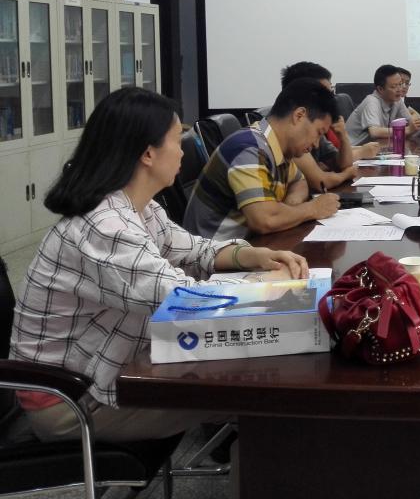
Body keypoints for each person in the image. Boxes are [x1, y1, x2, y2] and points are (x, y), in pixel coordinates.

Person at [11, 87, 308, 442]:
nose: (183, 150)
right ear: (148, 154)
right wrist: (269, 289)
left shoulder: (139, 206)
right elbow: (183, 301)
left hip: (107, 364)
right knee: (260, 392)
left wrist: (250, 256)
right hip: (70, 402)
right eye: (177, 139)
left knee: (257, 369)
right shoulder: (105, 226)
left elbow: (195, 250)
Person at [184, 78, 342, 240]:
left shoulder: (278, 147)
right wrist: (313, 209)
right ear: (299, 116)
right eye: (318, 133)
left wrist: (289, 207)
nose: (316, 144)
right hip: (213, 251)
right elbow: (264, 220)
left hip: (247, 246)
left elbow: (299, 182)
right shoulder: (249, 148)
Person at [279, 62, 379, 189]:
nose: (331, 99)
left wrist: (343, 136)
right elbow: (319, 181)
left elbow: (342, 164)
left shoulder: (313, 125)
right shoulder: (291, 132)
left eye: (331, 91)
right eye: (325, 94)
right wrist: (345, 174)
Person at [346, 64, 420, 146]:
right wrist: (407, 130)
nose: (400, 89)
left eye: (400, 84)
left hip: (376, 147)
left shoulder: (397, 100)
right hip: (353, 149)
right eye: (394, 86)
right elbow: (374, 132)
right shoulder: (371, 102)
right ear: (380, 89)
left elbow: (410, 122)